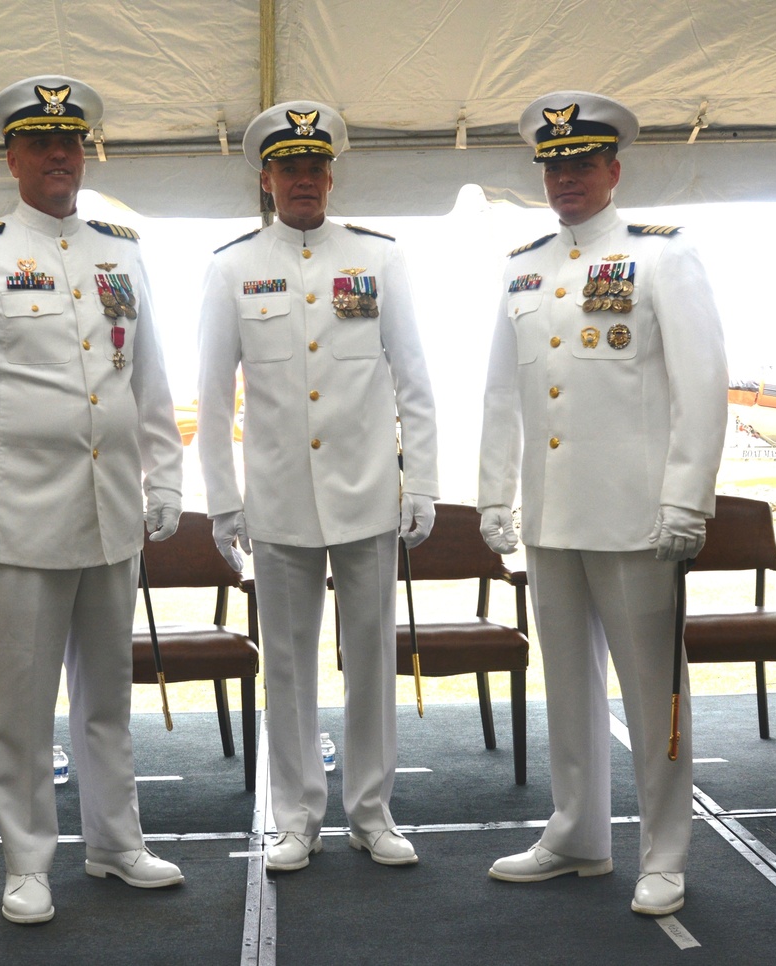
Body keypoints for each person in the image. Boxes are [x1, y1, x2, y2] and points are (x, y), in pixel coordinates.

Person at [0, 76, 185, 924]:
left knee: (108, 697)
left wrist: (167, 474)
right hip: (19, 517)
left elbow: (148, 376)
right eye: (40, 142)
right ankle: (27, 862)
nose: (59, 155)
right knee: (23, 707)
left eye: (70, 142)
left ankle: (115, 843)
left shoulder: (121, 249)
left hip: (109, 511)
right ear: (13, 157)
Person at [478, 91, 727, 915]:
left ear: (613, 169)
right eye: (553, 165)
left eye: (582, 163)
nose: (566, 178)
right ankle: (578, 832)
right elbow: (500, 396)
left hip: (635, 520)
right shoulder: (522, 266)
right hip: (552, 517)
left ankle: (667, 852)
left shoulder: (664, 255)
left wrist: (686, 499)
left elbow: (702, 387)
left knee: (654, 687)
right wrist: (494, 496)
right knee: (569, 688)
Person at [197, 101, 439, 871]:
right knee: (289, 666)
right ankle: (296, 816)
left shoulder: (382, 257)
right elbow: (211, 395)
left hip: (367, 492)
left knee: (371, 659)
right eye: (287, 168)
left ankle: (372, 811)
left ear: (331, 174)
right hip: (276, 499)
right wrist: (223, 500)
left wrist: (422, 482)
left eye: (314, 166)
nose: (303, 180)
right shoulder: (232, 266)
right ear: (265, 179)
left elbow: (415, 380)